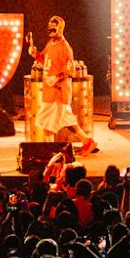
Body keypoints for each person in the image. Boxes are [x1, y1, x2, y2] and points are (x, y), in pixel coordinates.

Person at [34, 16, 98, 156]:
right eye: (49, 26)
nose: (50, 29)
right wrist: (35, 54)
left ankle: (50, 155)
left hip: (58, 93)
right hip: (50, 92)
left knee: (46, 124)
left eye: (53, 27)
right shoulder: (51, 43)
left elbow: (70, 70)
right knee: (68, 122)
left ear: (60, 28)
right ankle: (87, 142)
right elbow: (44, 60)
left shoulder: (65, 47)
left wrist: (55, 78)